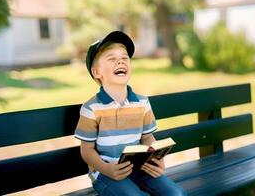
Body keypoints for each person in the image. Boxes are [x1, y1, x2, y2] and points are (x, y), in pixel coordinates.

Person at [74, 31, 186, 196]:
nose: (120, 61)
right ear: (97, 72)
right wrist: (106, 169)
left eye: (124, 58)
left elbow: (147, 138)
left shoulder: (142, 103)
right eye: (112, 58)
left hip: (140, 168)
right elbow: (87, 150)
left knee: (176, 194)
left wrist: (157, 159)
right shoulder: (91, 109)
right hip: (108, 174)